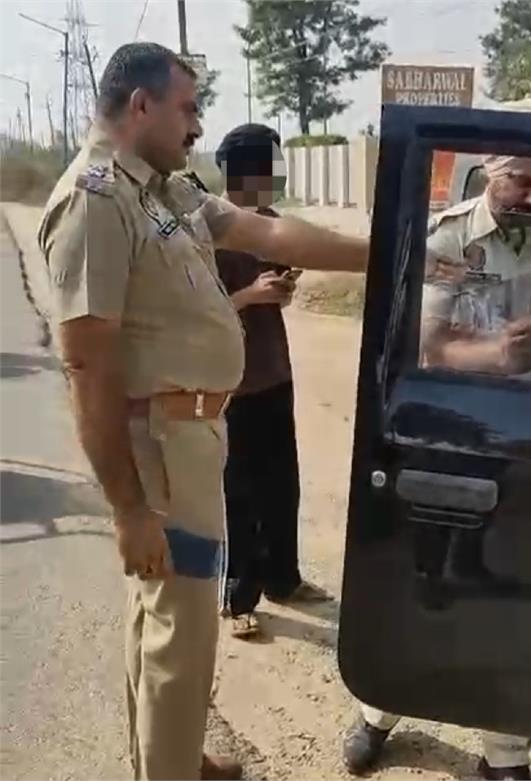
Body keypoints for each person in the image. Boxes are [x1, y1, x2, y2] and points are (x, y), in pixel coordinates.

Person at [37, 42, 367, 781]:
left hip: (188, 438)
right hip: (160, 449)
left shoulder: (161, 189)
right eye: (187, 109)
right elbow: (87, 366)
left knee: (162, 623)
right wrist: (128, 509)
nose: (197, 126)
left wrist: (386, 251)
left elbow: (265, 232)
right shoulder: (96, 198)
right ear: (141, 105)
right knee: (180, 635)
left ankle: (172, 758)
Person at [343, 155, 531, 781]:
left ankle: (505, 754)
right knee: (429, 585)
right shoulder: (447, 236)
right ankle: (380, 709)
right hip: (455, 437)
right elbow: (426, 345)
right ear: (489, 171)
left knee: (519, 599)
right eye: (524, 182)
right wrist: (496, 356)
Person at [209, 123, 331, 640]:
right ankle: (237, 596)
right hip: (230, 385)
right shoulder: (208, 228)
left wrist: (282, 286)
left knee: (283, 486)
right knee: (239, 495)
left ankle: (284, 578)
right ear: (248, 172)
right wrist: (249, 296)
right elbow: (192, 311)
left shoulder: (271, 225)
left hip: (274, 374)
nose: (277, 179)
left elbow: (289, 269)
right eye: (272, 168)